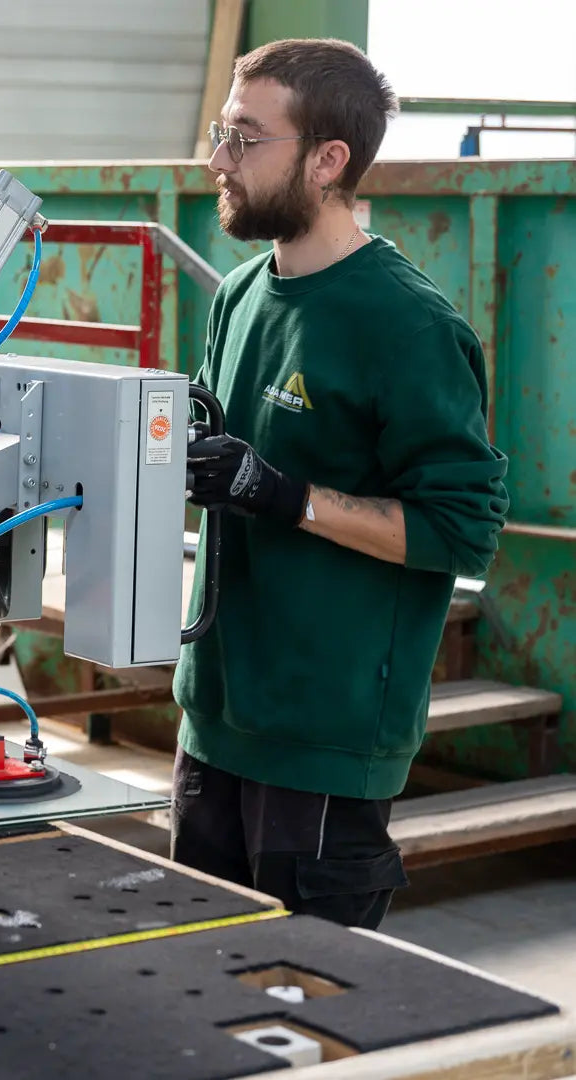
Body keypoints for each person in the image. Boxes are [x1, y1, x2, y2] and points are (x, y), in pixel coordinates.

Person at [171, 38, 509, 930]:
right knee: (194, 996)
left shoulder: (406, 326)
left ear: (329, 160)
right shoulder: (240, 297)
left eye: (246, 138)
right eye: (220, 133)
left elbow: (462, 528)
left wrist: (290, 497)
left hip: (322, 741)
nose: (218, 161)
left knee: (305, 1017)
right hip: (213, 722)